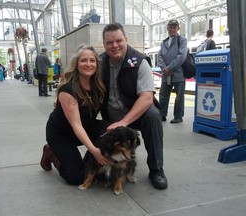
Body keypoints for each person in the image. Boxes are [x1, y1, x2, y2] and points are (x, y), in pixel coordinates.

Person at [100, 22, 168, 189]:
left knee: (153, 117)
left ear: (126, 40)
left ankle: (156, 169)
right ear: (104, 44)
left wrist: (124, 122)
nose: (114, 45)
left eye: (118, 40)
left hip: (136, 112)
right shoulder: (99, 62)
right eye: (109, 42)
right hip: (110, 114)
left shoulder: (140, 61)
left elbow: (146, 98)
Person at [40, 44, 113, 185]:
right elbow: (76, 125)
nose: (88, 64)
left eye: (92, 60)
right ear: (76, 64)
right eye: (84, 60)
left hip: (85, 126)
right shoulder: (69, 90)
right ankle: (51, 152)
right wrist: (95, 151)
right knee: (76, 177)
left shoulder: (99, 85)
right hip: (61, 134)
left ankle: (92, 159)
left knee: (110, 129)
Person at [158, 19, 188, 124]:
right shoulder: (164, 42)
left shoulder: (182, 40)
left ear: (178, 28)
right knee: (163, 95)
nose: (172, 29)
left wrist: (169, 68)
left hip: (178, 74)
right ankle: (162, 114)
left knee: (179, 96)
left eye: (174, 27)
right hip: (166, 74)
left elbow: (182, 56)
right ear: (167, 28)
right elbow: (160, 56)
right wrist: (163, 68)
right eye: (170, 27)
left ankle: (178, 116)